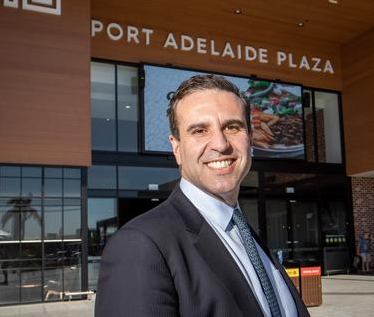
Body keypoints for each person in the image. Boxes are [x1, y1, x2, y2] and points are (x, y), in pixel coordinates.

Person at [96, 75, 308, 316]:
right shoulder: (140, 245)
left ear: (250, 138)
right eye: (199, 130)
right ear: (177, 148)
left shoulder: (246, 234)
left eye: (232, 127)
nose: (220, 143)